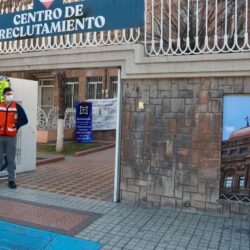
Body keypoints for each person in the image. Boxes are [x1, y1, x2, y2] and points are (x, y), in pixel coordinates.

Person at [0, 87, 28, 189]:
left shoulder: (17, 107)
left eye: (11, 94)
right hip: (0, 137)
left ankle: (11, 180)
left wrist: (16, 126)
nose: (9, 95)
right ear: (3, 95)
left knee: (11, 159)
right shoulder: (0, 106)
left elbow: (25, 120)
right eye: (7, 94)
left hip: (11, 137)